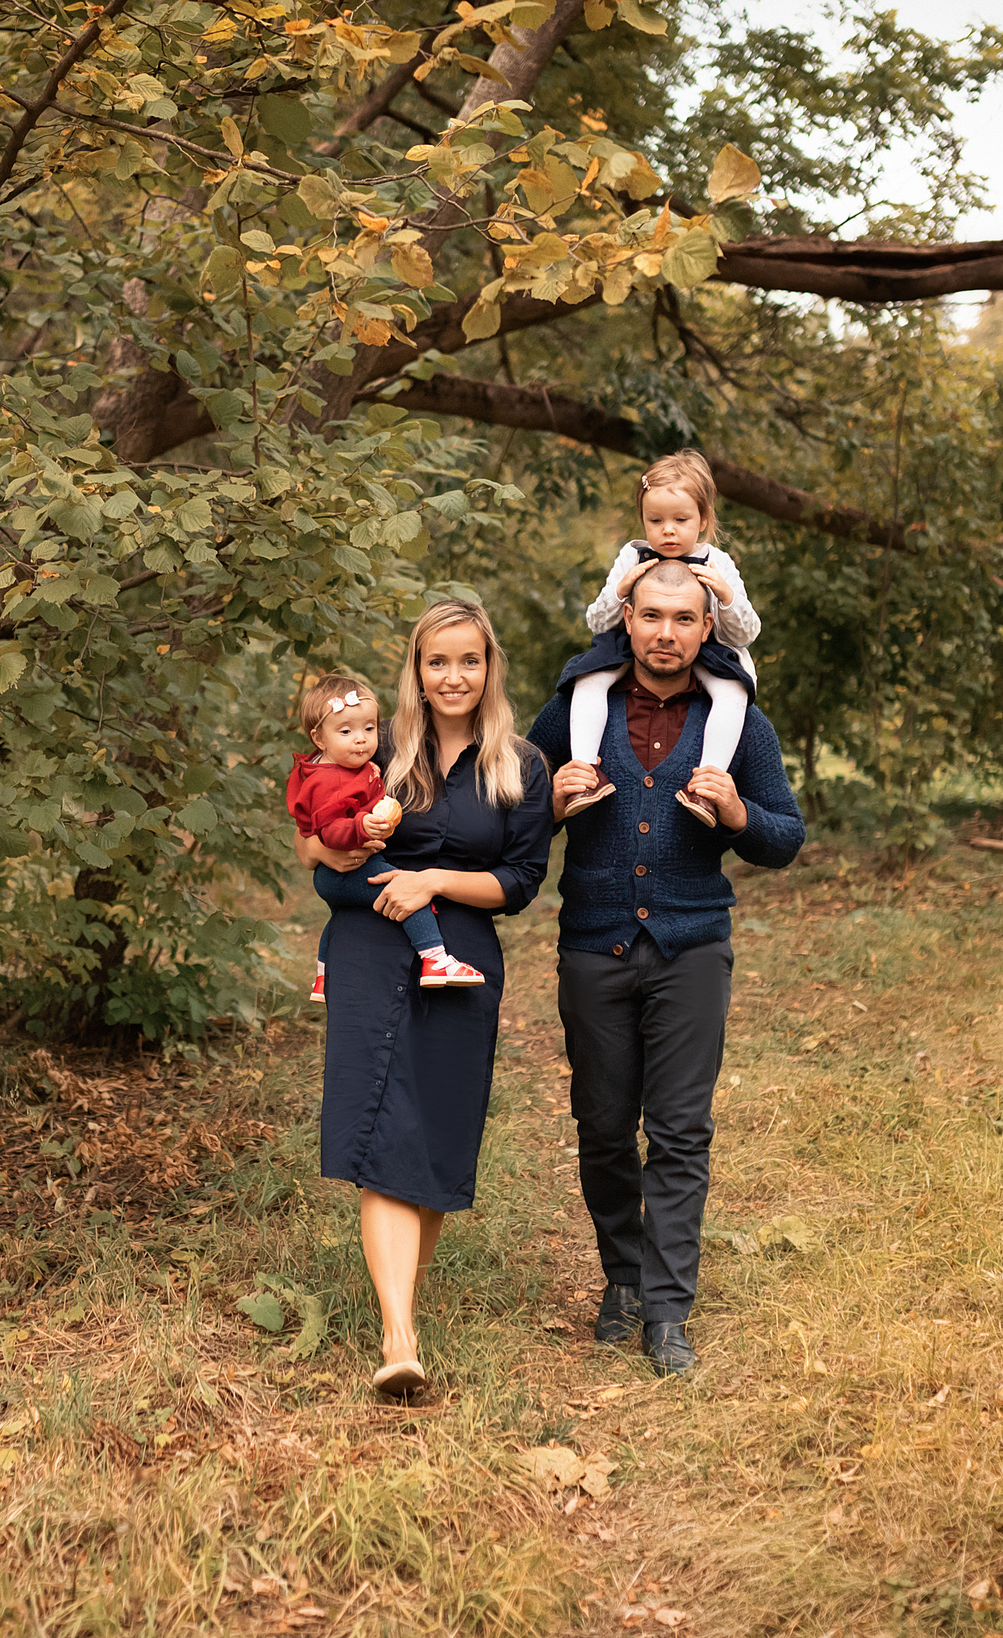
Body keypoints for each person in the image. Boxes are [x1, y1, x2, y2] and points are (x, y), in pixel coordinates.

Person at [526, 559, 803, 1376]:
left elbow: (785, 836)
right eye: (652, 615)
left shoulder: (737, 720)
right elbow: (503, 810)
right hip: (593, 943)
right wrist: (549, 804)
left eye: (684, 619)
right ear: (626, 618)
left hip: (691, 948)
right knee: (604, 1124)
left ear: (706, 628)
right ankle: (621, 1278)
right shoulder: (578, 711)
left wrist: (737, 813)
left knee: (680, 1131)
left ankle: (667, 1308)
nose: (666, 633)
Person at [297, 600, 551, 1398]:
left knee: (435, 1132)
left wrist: (434, 877)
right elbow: (313, 841)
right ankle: (398, 1334)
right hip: (375, 948)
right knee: (382, 1125)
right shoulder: (376, 752)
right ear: (416, 668)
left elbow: (520, 882)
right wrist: (342, 850)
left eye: (468, 660)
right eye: (437, 661)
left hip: (461, 953)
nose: (453, 676)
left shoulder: (520, 765)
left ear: (489, 667)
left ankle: (401, 1307)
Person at [556, 450, 761, 828]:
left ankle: (707, 786)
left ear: (702, 520)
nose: (668, 530)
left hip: (707, 649)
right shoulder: (631, 556)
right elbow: (598, 623)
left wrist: (726, 597)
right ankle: (584, 775)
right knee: (587, 679)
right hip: (633, 647)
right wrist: (621, 590)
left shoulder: (719, 563)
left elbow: (745, 633)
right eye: (656, 520)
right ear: (643, 520)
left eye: (680, 520)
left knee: (734, 694)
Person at [285, 670, 487, 1003]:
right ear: (319, 739)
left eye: (368, 729)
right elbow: (327, 830)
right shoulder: (326, 781)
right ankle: (436, 961)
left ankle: (324, 977)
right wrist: (360, 827)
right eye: (347, 731)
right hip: (342, 868)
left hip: (340, 873)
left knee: (340, 916)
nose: (361, 739)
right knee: (405, 893)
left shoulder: (349, 766)